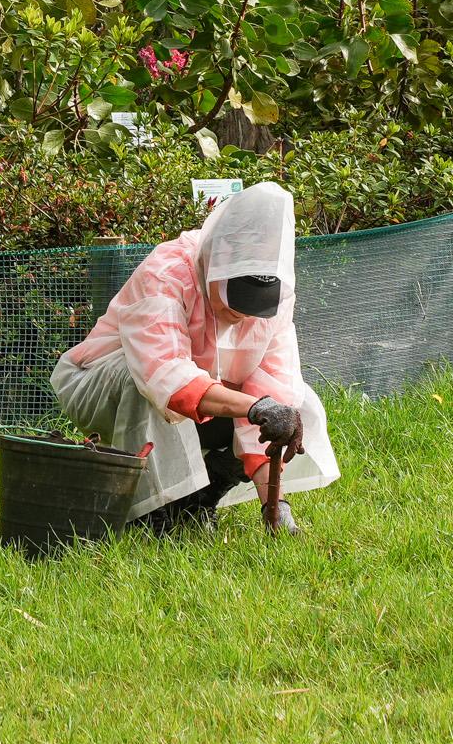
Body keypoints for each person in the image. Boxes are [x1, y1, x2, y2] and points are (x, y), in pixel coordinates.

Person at [47, 180, 338, 534]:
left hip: (197, 397)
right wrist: (253, 407)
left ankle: (200, 500)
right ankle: (155, 514)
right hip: (99, 387)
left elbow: (271, 389)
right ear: (215, 263)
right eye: (235, 301)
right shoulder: (167, 273)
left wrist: (273, 504)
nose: (243, 316)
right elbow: (165, 376)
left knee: (294, 404)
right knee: (139, 379)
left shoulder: (277, 301)